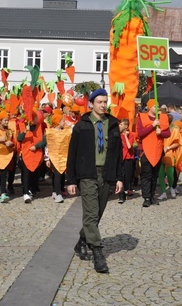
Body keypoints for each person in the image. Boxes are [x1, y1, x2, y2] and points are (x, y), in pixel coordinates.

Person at [67, 88, 123, 273]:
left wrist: (120, 178)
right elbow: (72, 154)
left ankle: (81, 241)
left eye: (105, 102)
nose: (103, 105)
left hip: (107, 174)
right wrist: (71, 180)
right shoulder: (81, 125)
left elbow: (118, 154)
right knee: (91, 213)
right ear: (91, 103)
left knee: (97, 214)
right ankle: (98, 253)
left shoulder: (113, 124)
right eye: (99, 102)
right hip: (87, 173)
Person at [136, 99, 170, 207]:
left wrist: (161, 132)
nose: (156, 107)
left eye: (158, 105)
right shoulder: (142, 117)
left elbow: (168, 133)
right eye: (154, 105)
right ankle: (146, 197)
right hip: (146, 151)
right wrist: (152, 125)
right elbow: (140, 133)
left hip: (158, 151)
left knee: (154, 175)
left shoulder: (163, 118)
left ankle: (152, 196)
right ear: (148, 107)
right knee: (146, 175)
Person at [45, 113, 72, 203]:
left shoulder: (65, 131)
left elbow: (71, 132)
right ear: (57, 122)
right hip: (53, 156)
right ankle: (58, 193)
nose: (64, 122)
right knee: (57, 175)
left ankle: (55, 190)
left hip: (63, 156)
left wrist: (69, 126)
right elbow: (47, 145)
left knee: (60, 174)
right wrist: (47, 158)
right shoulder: (50, 132)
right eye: (62, 120)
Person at [158, 115, 182, 200]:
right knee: (160, 174)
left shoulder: (175, 130)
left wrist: (168, 148)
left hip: (170, 154)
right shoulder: (159, 129)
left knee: (170, 173)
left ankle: (171, 187)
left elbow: (177, 143)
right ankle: (164, 192)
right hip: (159, 153)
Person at [118, 118, 137, 203]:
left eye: (121, 124)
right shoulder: (118, 135)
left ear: (126, 126)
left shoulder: (131, 135)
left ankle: (126, 190)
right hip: (120, 158)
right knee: (120, 176)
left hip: (128, 158)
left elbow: (129, 146)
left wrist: (125, 136)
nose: (119, 126)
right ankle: (121, 195)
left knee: (127, 177)